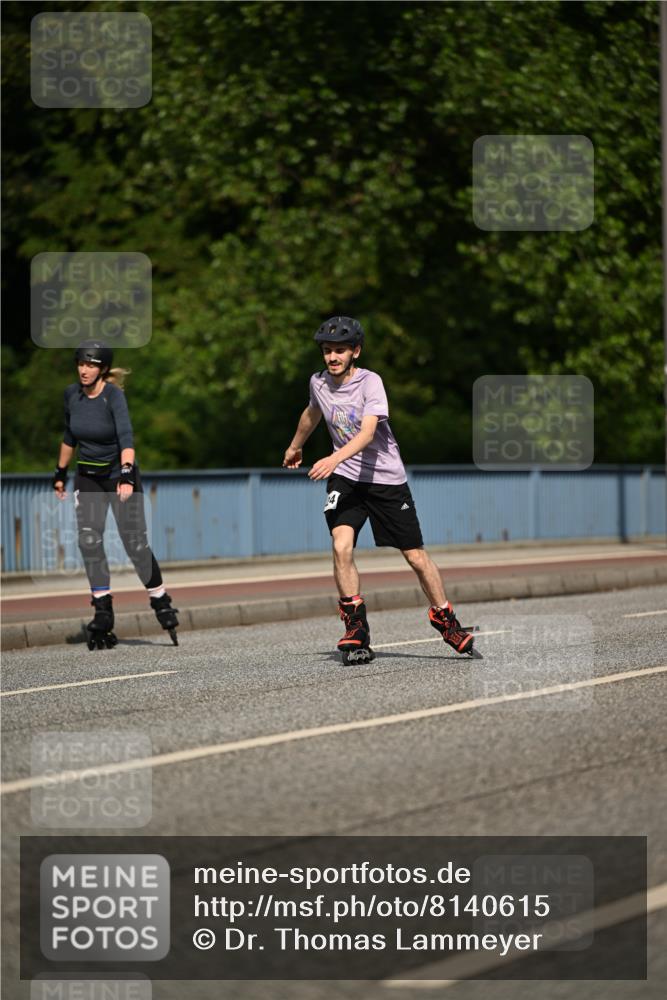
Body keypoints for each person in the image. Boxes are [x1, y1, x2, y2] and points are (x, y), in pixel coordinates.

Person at [282, 316, 477, 663]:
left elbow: (367, 434)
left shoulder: (370, 383)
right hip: (346, 479)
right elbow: (312, 413)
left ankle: (445, 619)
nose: (332, 357)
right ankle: (356, 628)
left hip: (386, 480)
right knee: (341, 546)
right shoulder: (318, 383)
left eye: (340, 350)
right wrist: (296, 445)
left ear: (355, 351)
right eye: (327, 351)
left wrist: (331, 457)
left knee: (415, 556)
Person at [53, 341, 179, 648]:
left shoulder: (113, 396)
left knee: (134, 543)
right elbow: (70, 436)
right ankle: (102, 609)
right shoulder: (72, 395)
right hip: (88, 477)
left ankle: (160, 599)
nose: (85, 370)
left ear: (103, 369)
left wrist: (125, 474)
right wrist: (59, 473)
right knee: (89, 540)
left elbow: (126, 437)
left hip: (118, 475)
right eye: (81, 363)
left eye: (92, 365)